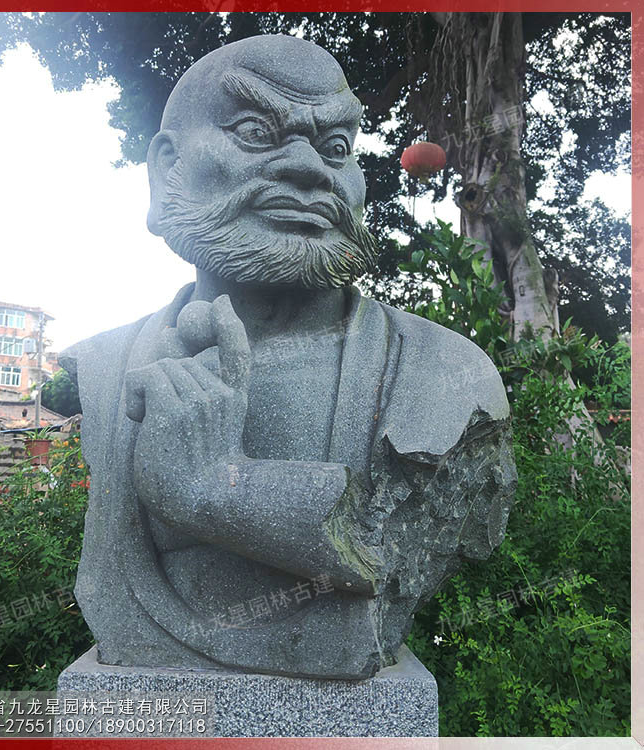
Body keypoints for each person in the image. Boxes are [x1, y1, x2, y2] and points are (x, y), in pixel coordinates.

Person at [61, 34, 516, 679]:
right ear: (167, 169)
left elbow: (398, 549)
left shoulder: (446, 377)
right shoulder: (108, 366)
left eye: (336, 147)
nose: (309, 169)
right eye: (255, 131)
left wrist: (216, 490)